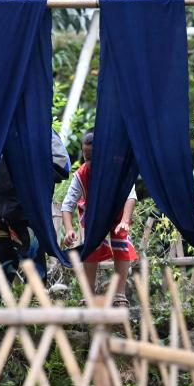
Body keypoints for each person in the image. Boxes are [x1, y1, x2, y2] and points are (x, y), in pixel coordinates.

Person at [0, 130, 70, 303]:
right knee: (3, 253)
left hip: (27, 208)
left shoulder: (42, 130)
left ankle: (36, 296)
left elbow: (62, 164)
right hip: (1, 206)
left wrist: (33, 179)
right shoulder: (2, 129)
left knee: (32, 252)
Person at [61, 130, 137, 307]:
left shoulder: (118, 168)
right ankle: (89, 294)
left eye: (94, 158)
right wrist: (69, 229)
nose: (90, 163)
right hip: (94, 215)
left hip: (118, 214)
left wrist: (125, 221)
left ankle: (119, 294)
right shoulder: (81, 175)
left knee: (121, 243)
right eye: (87, 158)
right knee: (91, 247)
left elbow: (130, 195)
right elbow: (67, 206)